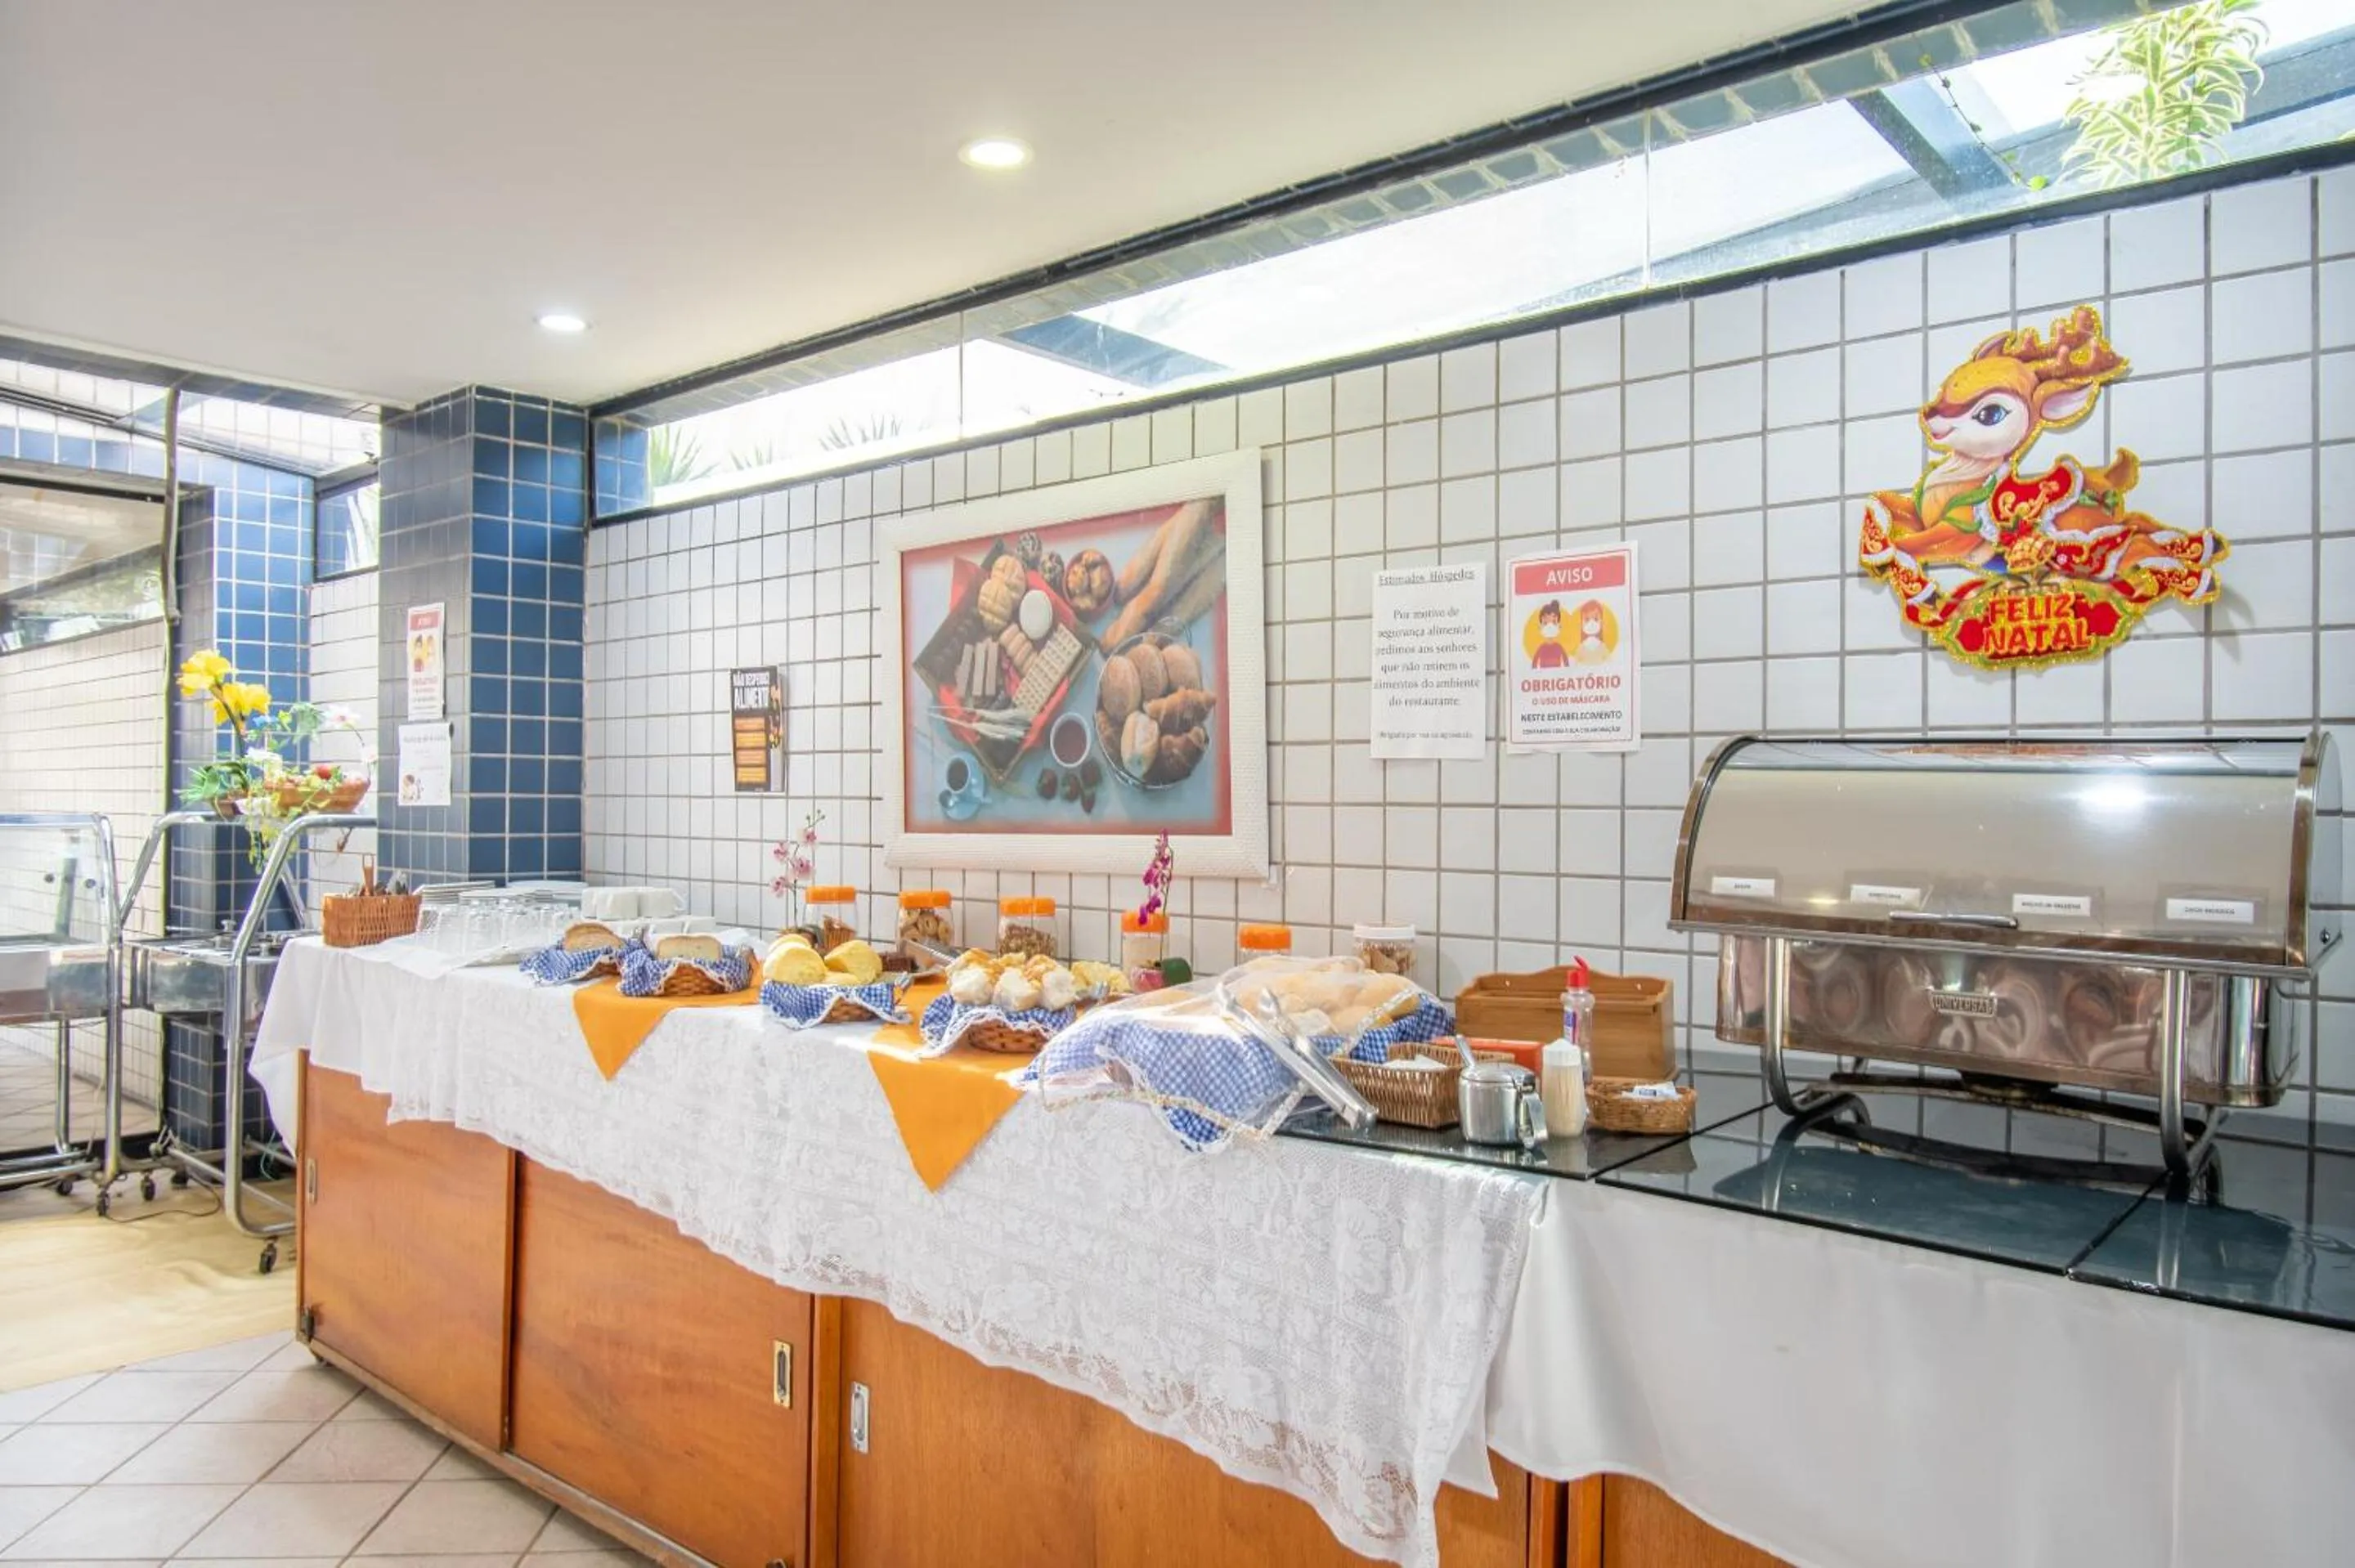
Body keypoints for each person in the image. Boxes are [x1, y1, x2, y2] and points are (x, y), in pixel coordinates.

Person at [1530, 600, 1569, 669]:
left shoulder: (1558, 647)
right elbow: (1535, 661)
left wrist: (1566, 671)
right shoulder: (1542, 648)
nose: (1550, 626)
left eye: (1554, 622)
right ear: (1540, 627)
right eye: (1545, 623)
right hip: (1543, 673)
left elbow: (1565, 660)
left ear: (1559, 626)